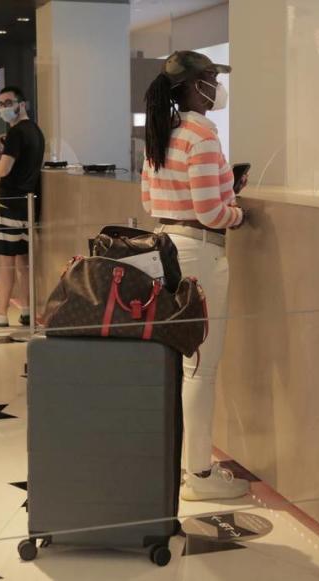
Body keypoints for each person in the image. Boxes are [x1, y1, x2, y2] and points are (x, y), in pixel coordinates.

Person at [141, 51, 250, 502]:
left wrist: (223, 188)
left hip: (165, 248)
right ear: (193, 86)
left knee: (182, 365)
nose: (216, 87)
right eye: (210, 78)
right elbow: (210, 212)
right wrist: (237, 212)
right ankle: (200, 477)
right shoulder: (202, 133)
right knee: (201, 370)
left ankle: (183, 466)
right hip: (200, 256)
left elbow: (150, 201)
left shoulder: (164, 132)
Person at [0, 86, 45, 328]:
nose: (3, 108)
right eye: (0, 104)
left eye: (8, 102)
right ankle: (27, 310)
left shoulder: (17, 133)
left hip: (9, 202)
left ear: (22, 104)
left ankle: (0, 313)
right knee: (22, 261)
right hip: (28, 204)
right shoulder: (36, 132)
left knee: (6, 261)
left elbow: (4, 169)